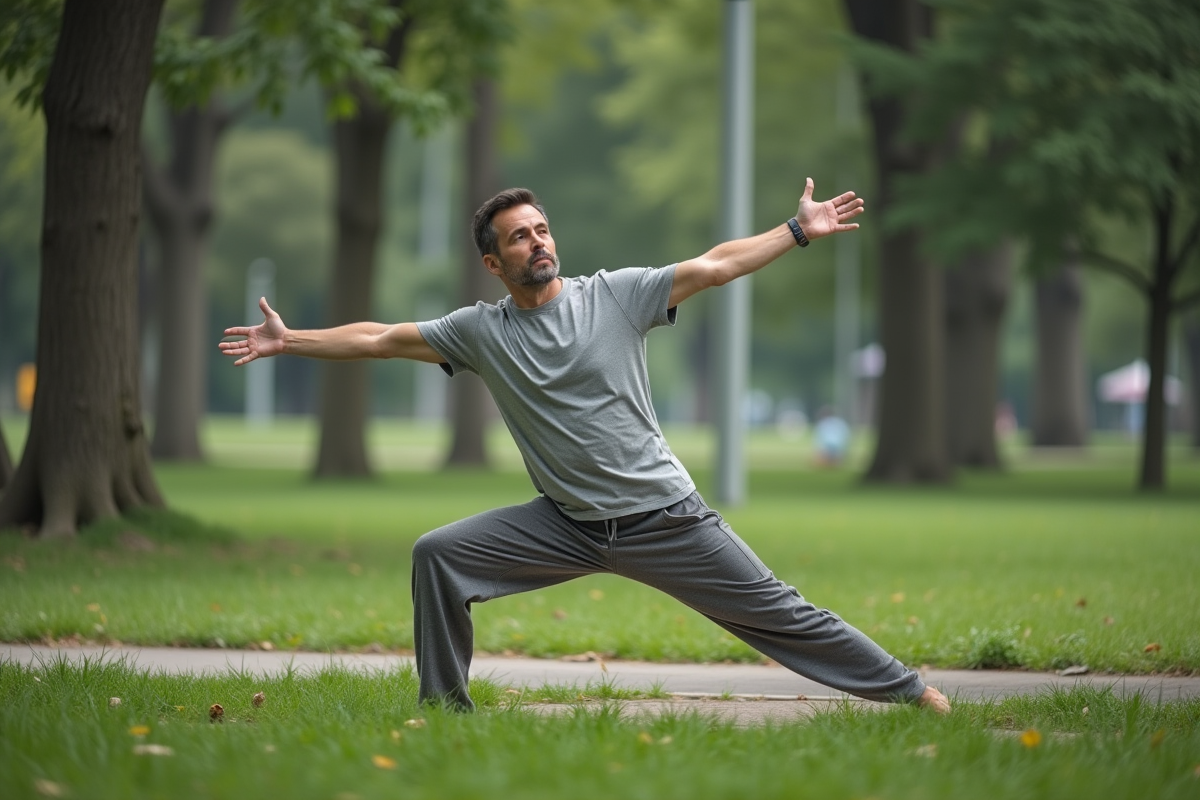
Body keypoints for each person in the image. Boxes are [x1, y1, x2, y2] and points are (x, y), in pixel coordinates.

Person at [220, 180, 951, 715]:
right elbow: (380, 339)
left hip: (665, 519)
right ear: (493, 263)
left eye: (541, 229)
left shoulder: (616, 296)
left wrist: (793, 232)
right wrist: (291, 342)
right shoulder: (480, 332)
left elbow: (713, 265)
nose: (537, 241)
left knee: (782, 613)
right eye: (518, 236)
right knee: (437, 554)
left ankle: (915, 692)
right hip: (564, 525)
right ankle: (444, 713)